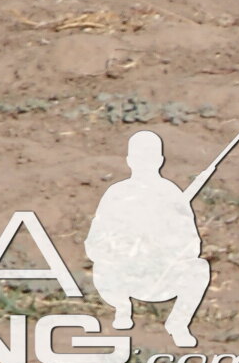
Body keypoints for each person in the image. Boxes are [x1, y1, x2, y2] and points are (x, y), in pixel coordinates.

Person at [87, 128, 217, 347]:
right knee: (102, 265)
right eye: (139, 157)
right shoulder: (116, 193)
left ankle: (178, 324)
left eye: (149, 157)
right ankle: (122, 308)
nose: (144, 162)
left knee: (199, 268)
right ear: (129, 160)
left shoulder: (171, 193)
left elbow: (191, 244)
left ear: (160, 160)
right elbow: (94, 242)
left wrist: (165, 243)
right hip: (123, 275)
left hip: (161, 275)